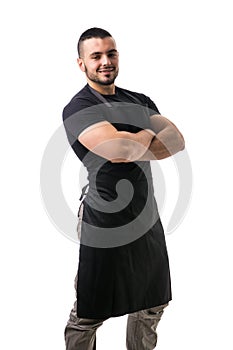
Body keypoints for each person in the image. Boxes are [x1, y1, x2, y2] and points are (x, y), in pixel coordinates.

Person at [62, 27, 185, 350]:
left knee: (153, 301)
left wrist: (132, 141)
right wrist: (145, 132)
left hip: (145, 213)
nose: (105, 61)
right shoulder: (79, 107)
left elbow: (176, 141)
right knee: (90, 308)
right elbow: (119, 150)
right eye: (96, 56)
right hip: (102, 217)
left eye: (111, 53)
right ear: (81, 64)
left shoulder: (138, 99)